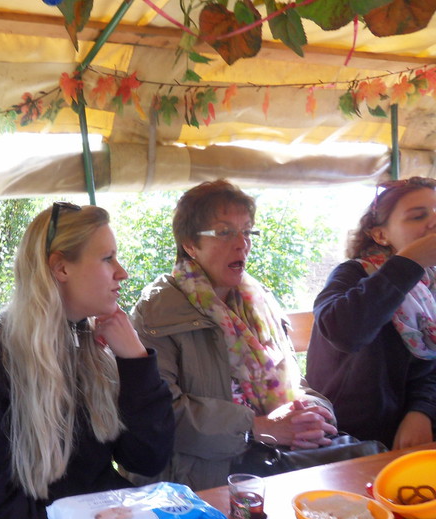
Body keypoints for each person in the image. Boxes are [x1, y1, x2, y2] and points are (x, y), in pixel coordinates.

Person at [0, 202, 175, 519]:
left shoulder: (94, 344)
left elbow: (148, 459)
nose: (122, 272)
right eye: (107, 258)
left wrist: (135, 362)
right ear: (61, 268)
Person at [129, 180, 337, 491]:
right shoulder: (157, 311)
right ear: (190, 244)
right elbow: (161, 415)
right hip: (199, 484)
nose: (242, 243)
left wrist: (315, 412)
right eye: (224, 232)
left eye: (247, 231)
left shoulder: (259, 303)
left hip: (277, 465)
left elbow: (295, 384)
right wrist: (259, 428)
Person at [307, 176, 436, 450]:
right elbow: (342, 331)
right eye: (418, 216)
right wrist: (410, 261)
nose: (433, 222)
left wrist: (422, 411)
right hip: (349, 441)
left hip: (414, 435)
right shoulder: (354, 273)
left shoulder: (429, 284)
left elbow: (430, 368)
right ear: (380, 235)